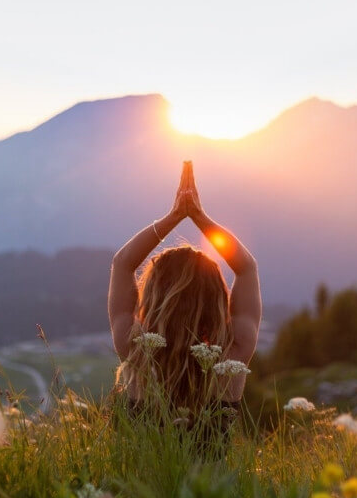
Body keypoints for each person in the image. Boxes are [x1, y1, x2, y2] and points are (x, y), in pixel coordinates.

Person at [108, 161, 261, 440]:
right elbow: (246, 267)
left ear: (154, 295)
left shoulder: (135, 350)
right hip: (211, 486)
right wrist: (200, 218)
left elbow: (122, 264)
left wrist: (174, 216)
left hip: (140, 484)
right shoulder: (233, 354)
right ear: (217, 296)